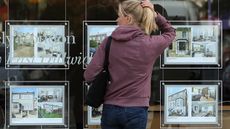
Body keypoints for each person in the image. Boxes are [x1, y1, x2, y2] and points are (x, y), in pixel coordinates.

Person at [84, 0, 176, 129]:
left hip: (111, 108)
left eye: (120, 15)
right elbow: (170, 32)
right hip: (137, 110)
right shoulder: (150, 44)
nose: (117, 19)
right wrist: (156, 15)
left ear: (128, 18)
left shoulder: (108, 42)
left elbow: (89, 75)